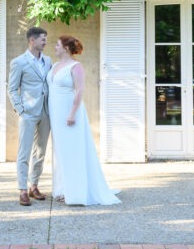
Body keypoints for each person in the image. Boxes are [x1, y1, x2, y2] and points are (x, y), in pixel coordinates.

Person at [48, 36, 120, 206]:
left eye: (57, 45)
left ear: (66, 48)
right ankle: (64, 188)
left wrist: (72, 113)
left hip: (70, 114)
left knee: (73, 151)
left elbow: (79, 91)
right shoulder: (55, 66)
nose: (55, 47)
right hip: (55, 113)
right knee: (61, 152)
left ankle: (75, 191)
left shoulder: (76, 67)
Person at [8, 27, 52, 206]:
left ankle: (34, 186)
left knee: (40, 151)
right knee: (24, 152)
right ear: (32, 40)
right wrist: (20, 109)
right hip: (28, 112)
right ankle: (22, 190)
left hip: (45, 111)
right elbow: (12, 88)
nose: (45, 42)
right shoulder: (19, 62)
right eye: (43, 39)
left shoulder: (48, 61)